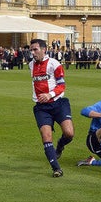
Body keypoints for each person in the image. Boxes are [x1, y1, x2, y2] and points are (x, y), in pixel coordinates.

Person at [29, 38, 74, 177]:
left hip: (58, 103)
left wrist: (50, 94)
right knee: (46, 136)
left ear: (44, 49)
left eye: (35, 49)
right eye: (31, 50)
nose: (32, 53)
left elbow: (62, 85)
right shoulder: (31, 65)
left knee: (69, 134)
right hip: (41, 107)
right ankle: (56, 168)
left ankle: (60, 146)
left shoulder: (54, 64)